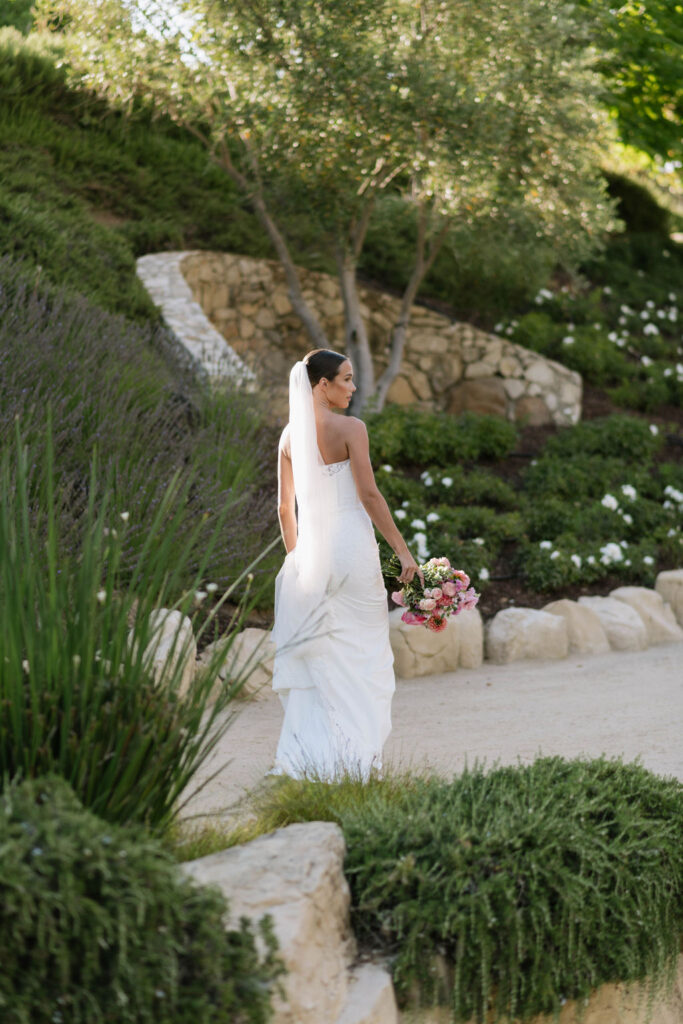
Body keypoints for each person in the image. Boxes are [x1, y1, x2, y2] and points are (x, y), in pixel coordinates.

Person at [270, 348, 423, 780]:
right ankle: (354, 758)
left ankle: (310, 760)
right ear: (322, 385)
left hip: (311, 556)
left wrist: (298, 559)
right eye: (347, 379)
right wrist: (403, 551)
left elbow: (285, 509)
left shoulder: (288, 437)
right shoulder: (351, 428)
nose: (353, 389)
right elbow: (369, 496)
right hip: (352, 550)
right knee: (363, 654)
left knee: (323, 656)